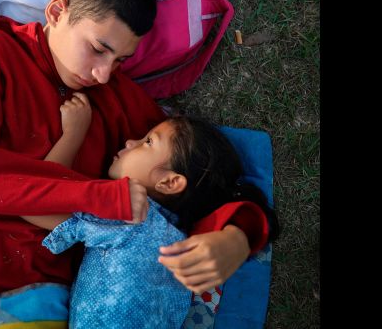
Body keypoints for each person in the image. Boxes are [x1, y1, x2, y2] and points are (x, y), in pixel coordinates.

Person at [0, 0, 271, 306]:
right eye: (98, 49)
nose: (104, 74)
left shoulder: (114, 94)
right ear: (57, 12)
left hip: (66, 304)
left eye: (120, 60)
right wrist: (98, 197)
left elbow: (188, 172)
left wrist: (237, 235)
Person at [25, 96, 280, 327]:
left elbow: (36, 202)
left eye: (147, 142)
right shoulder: (179, 242)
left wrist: (73, 132)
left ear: (169, 182)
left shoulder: (130, 214)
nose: (129, 141)